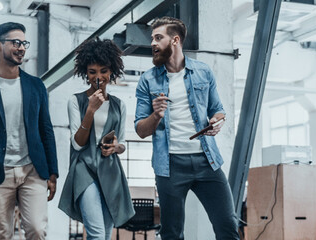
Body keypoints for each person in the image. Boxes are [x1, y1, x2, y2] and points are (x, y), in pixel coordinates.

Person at [134, 16, 240, 239]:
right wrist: (156, 115)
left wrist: (217, 122)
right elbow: (141, 130)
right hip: (169, 166)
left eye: (158, 38)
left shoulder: (203, 71)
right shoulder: (147, 80)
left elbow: (218, 110)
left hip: (207, 161)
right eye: (152, 38)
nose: (153, 43)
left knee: (227, 225)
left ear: (175, 40)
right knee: (171, 233)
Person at [0, 22, 58, 240]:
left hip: (32, 169)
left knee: (37, 229)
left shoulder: (36, 85)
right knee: (2, 233)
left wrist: (53, 172)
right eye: (15, 42)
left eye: (24, 43)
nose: (21, 48)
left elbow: (46, 128)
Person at [59, 38, 135, 240]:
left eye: (103, 71)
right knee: (97, 234)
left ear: (111, 71)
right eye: (92, 72)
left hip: (110, 171)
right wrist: (90, 110)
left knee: (106, 235)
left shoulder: (119, 105)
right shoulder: (76, 101)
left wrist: (116, 147)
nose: (98, 77)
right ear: (86, 73)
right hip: (85, 169)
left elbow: (123, 143)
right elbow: (77, 143)